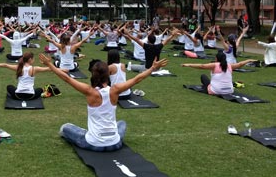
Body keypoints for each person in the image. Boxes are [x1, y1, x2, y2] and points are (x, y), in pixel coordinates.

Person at [39, 53, 168, 151]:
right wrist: (152, 68)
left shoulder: (90, 91)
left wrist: (50, 64)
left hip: (93, 143)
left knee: (65, 127)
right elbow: (136, 79)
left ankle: (91, 134)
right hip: (115, 143)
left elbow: (67, 79)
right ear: (108, 75)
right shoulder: (115, 90)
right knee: (122, 123)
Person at [182, 51, 256, 95]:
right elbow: (240, 64)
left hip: (216, 90)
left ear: (216, 58)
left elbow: (202, 66)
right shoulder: (229, 65)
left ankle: (209, 88)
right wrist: (248, 60)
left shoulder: (215, 65)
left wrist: (188, 64)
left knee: (203, 76)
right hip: (229, 90)